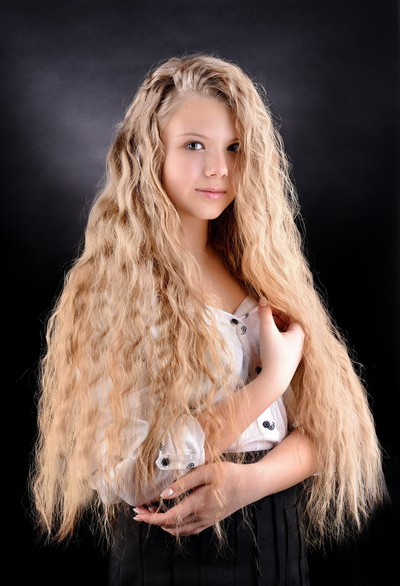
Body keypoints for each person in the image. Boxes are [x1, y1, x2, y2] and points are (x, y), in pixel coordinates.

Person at [31, 53, 387, 585]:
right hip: (175, 559)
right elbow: (138, 477)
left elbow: (329, 432)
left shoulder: (264, 271)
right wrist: (271, 381)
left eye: (233, 147)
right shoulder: (115, 290)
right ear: (150, 152)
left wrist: (250, 483)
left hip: (281, 550)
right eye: (194, 145)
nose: (219, 167)